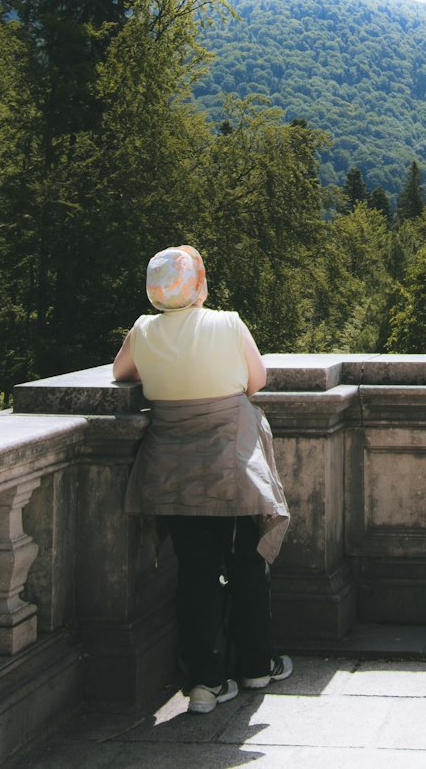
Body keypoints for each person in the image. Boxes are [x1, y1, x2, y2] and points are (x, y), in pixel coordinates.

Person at [113, 244, 291, 714]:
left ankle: (204, 684)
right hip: (230, 466)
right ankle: (256, 665)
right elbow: (258, 381)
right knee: (248, 564)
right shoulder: (227, 323)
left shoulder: (143, 330)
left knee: (195, 576)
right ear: (199, 283)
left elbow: (120, 373)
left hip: (174, 473)